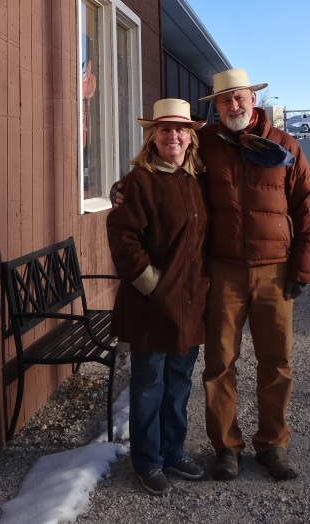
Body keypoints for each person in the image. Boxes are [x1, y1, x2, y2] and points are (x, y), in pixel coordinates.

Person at [198, 68, 310, 483]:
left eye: (240, 97)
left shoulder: (284, 146)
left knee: (276, 361)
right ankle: (226, 448)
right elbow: (166, 170)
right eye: (225, 100)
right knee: (218, 363)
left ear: (253, 99)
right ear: (216, 107)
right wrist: (128, 187)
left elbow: (306, 209)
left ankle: (273, 444)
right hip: (224, 271)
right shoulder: (204, 144)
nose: (234, 105)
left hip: (275, 271)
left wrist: (303, 266)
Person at [106, 98, 209, 497]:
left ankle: (173, 450)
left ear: (190, 138)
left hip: (190, 302)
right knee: (149, 383)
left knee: (180, 381)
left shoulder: (196, 179)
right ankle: (147, 461)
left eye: (180, 130)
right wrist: (152, 283)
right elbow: (123, 238)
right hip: (151, 304)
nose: (174, 136)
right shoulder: (138, 182)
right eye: (165, 130)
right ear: (153, 136)